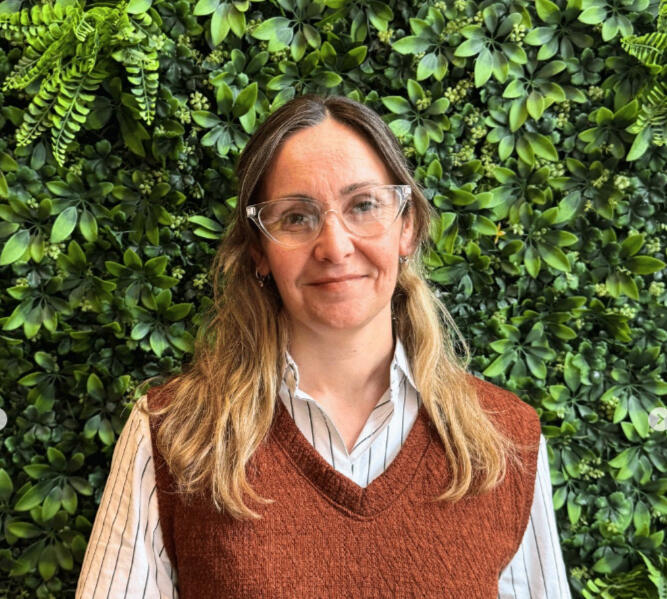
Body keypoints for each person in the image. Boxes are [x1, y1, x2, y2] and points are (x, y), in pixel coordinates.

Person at [76, 94, 572, 598]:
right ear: (259, 250)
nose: (335, 247)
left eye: (364, 206)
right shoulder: (173, 435)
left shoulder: (505, 440)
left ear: (407, 226)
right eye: (296, 217)